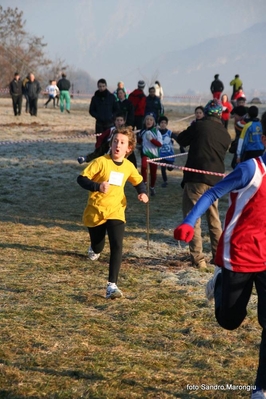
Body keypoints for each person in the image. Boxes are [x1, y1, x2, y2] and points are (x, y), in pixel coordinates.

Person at [173, 111, 266, 398]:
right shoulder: (251, 170)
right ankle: (220, 281)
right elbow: (212, 194)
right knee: (229, 321)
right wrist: (189, 222)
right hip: (238, 254)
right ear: (264, 140)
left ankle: (259, 389)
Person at [77, 127, 149, 299]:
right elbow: (81, 178)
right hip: (96, 212)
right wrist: (97, 186)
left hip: (117, 211)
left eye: (122, 142)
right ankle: (94, 247)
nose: (118, 145)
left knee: (117, 245)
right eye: (115, 141)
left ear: (128, 148)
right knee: (98, 246)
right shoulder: (101, 162)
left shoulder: (129, 166)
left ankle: (112, 286)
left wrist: (142, 192)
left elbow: (138, 181)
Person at [176, 99, 231, 269]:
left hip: (196, 179)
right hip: (215, 182)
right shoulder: (225, 134)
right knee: (214, 219)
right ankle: (218, 256)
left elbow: (182, 139)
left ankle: (198, 259)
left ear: (206, 113)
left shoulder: (199, 125)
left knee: (194, 218)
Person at [138, 112, 163, 196]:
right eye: (147, 120)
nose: (149, 121)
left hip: (154, 155)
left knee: (153, 172)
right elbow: (140, 141)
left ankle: (152, 187)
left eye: (151, 120)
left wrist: (152, 140)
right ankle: (144, 185)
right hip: (145, 153)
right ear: (144, 121)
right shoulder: (142, 131)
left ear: (153, 122)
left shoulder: (156, 132)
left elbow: (160, 144)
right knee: (144, 167)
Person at [158, 115, 179, 187]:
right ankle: (165, 181)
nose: (163, 124)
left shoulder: (169, 133)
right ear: (159, 124)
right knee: (162, 167)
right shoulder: (157, 133)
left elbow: (177, 139)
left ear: (166, 124)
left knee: (170, 168)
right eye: (161, 123)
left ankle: (170, 166)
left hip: (170, 154)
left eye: (164, 123)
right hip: (161, 155)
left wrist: (181, 147)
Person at [229, 105, 249, 169]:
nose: (234, 116)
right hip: (247, 148)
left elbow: (239, 138)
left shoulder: (240, 124)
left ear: (239, 115)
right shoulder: (248, 122)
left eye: (235, 115)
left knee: (235, 165)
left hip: (241, 148)